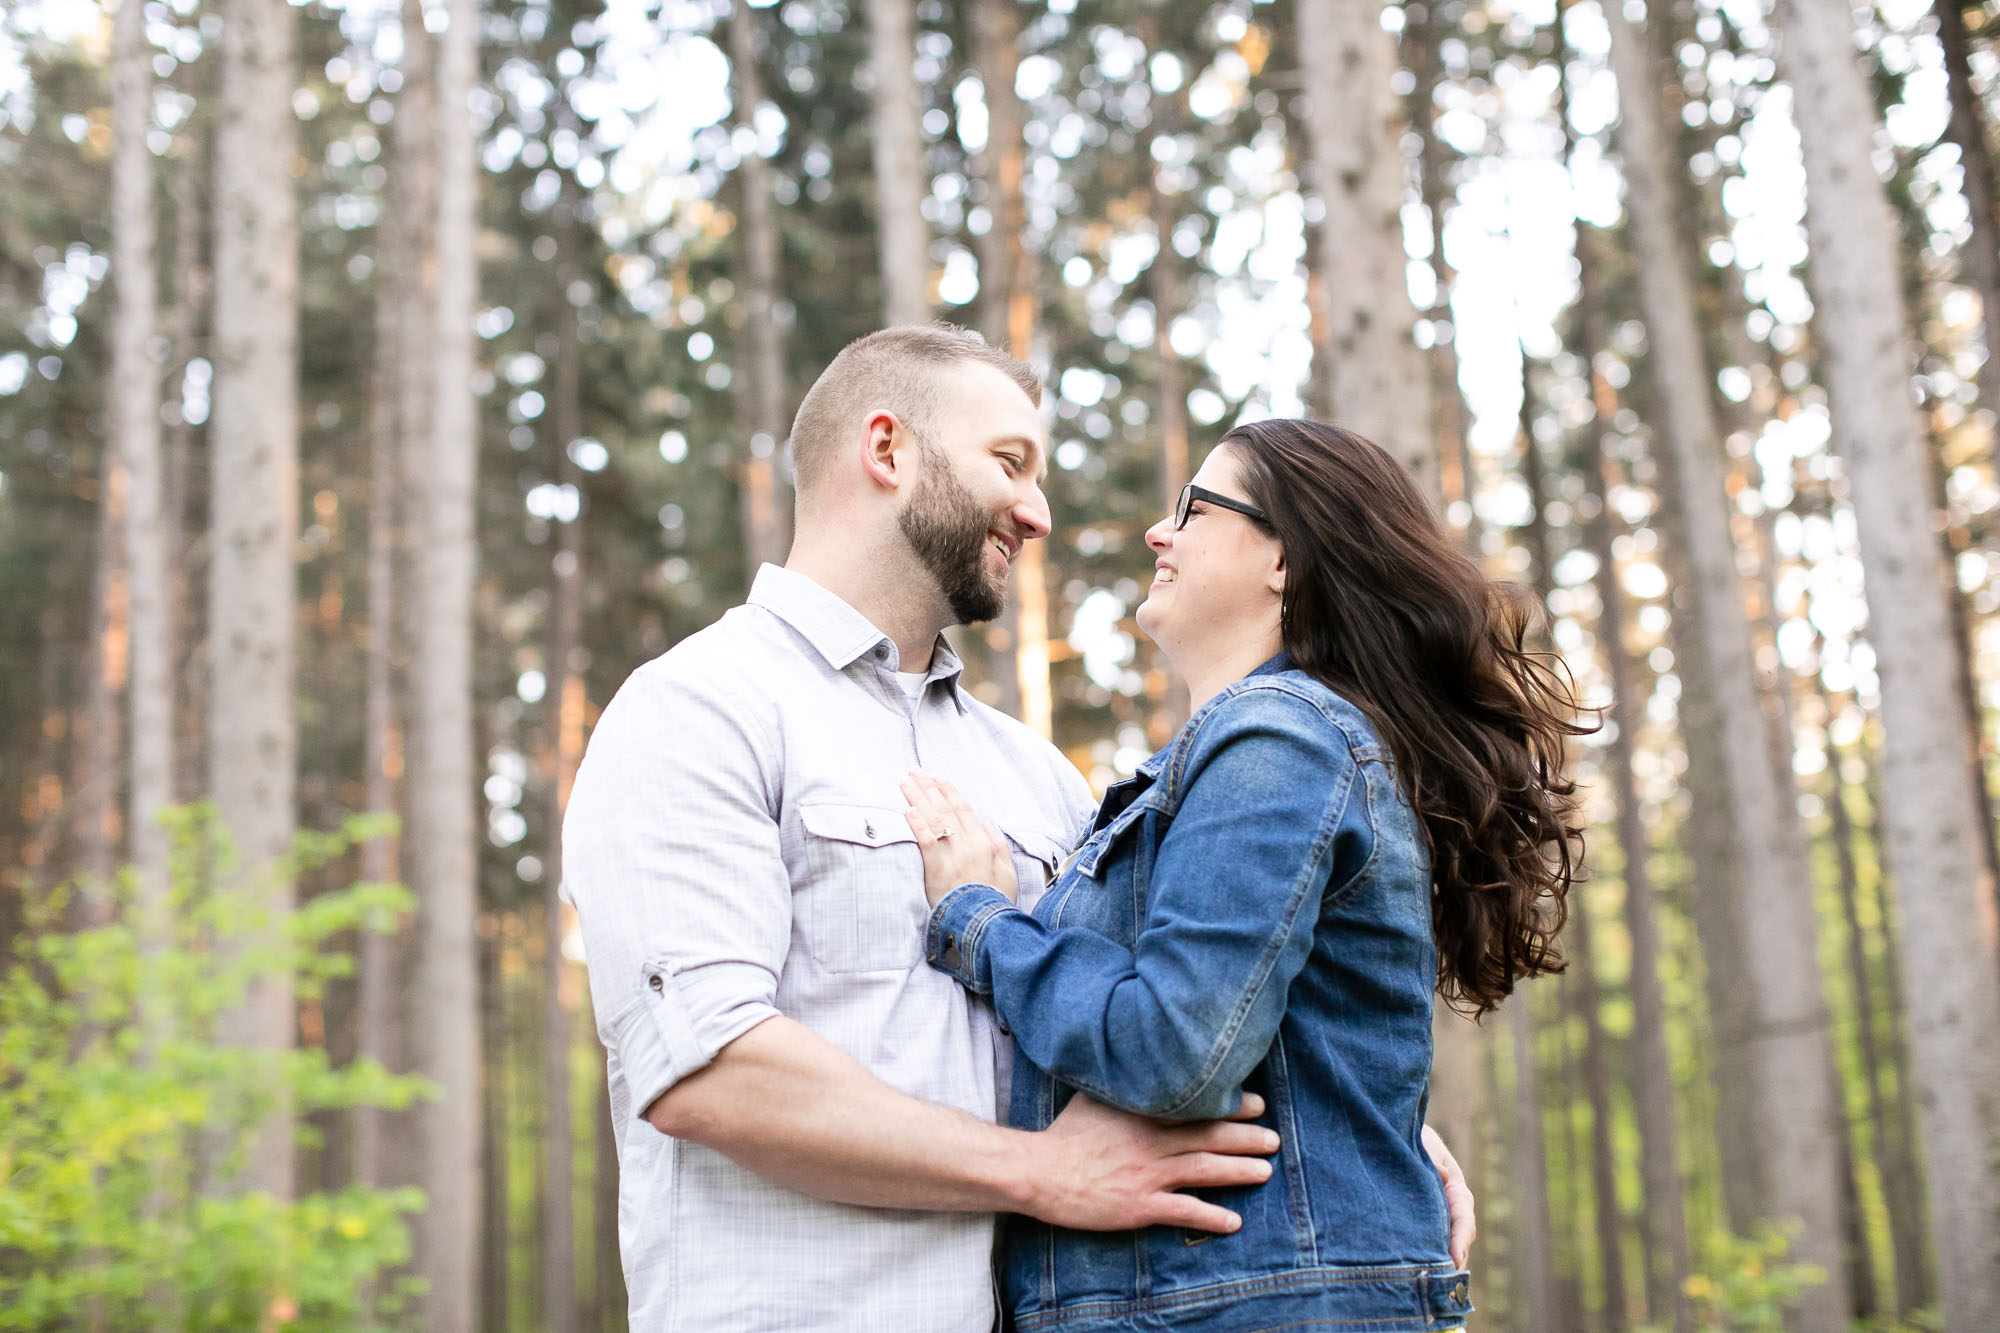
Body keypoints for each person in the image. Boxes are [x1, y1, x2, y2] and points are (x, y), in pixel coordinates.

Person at [563, 329, 1474, 1332]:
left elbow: (1172, 1010)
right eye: (1010, 463)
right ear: (886, 449)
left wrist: (1368, 1136)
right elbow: (709, 1071)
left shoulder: (1034, 773)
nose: (1038, 514)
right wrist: (1040, 1173)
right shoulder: (698, 708)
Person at [902, 418, 1586, 1332]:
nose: (1159, 531)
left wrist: (980, 922)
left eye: (1194, 506)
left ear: (1284, 560)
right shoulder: (1251, 749)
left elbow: (1176, 1046)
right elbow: (1261, 1034)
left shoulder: (1279, 733)